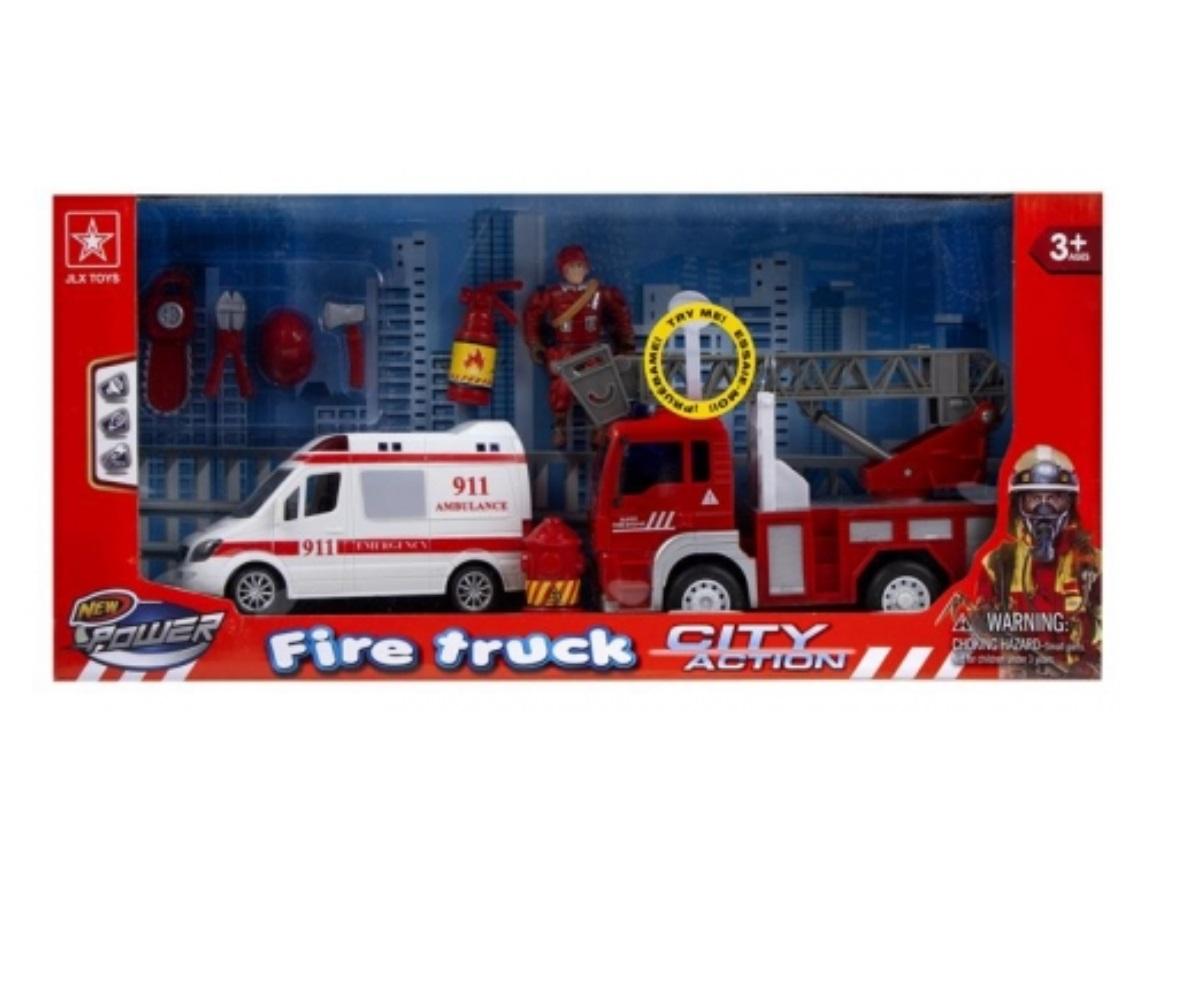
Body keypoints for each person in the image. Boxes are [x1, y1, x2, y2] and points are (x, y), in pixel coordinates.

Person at [975, 445, 1101, 677]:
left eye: (1054, 498)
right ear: (1018, 504)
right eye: (1034, 498)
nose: (1045, 508)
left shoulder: (1094, 565)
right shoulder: (997, 564)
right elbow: (981, 630)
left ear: (1070, 503)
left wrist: (1088, 669)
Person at [522, 245, 634, 448]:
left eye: (579, 266)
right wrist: (535, 344)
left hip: (593, 348)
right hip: (565, 349)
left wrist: (625, 341)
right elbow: (532, 316)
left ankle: (599, 428)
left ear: (586, 268)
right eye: (571, 267)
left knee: (600, 386)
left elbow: (621, 312)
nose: (576, 271)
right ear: (563, 270)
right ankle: (560, 427)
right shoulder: (552, 294)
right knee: (561, 387)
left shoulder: (600, 293)